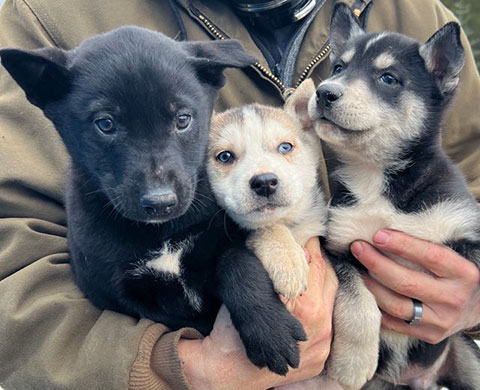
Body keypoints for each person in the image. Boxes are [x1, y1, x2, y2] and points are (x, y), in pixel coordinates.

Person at [0, 0, 478, 389]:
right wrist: (178, 366)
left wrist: (476, 302)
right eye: (222, 156)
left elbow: (473, 176)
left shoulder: (420, 19)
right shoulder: (45, 18)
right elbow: (13, 262)